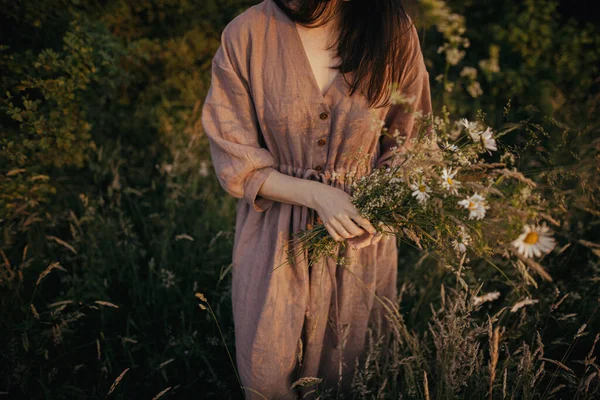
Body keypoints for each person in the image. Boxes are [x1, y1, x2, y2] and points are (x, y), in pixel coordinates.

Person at [201, 0, 432, 398]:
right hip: (275, 243)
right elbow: (234, 154)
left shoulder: (393, 32)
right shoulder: (247, 33)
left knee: (353, 377)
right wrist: (316, 194)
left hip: (361, 243)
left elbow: (410, 140)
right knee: (268, 379)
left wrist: (384, 210)